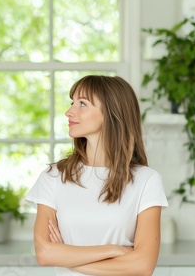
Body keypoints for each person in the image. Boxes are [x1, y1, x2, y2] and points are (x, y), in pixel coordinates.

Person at [25, 75, 168, 276]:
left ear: (112, 113)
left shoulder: (146, 181)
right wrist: (113, 250)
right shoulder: (54, 177)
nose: (69, 112)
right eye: (71, 103)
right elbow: (45, 253)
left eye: (82, 104)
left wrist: (69, 260)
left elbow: (142, 266)